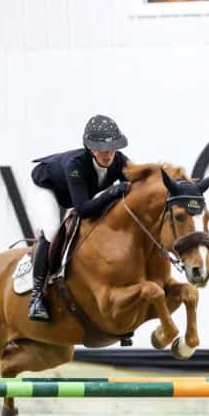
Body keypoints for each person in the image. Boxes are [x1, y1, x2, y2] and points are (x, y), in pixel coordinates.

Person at [26, 115, 132, 321]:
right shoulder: (75, 165)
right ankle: (36, 296)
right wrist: (112, 192)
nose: (109, 154)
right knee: (52, 229)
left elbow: (138, 181)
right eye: (103, 149)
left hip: (73, 195)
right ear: (91, 148)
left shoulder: (119, 160)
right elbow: (83, 208)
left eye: (113, 148)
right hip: (47, 189)